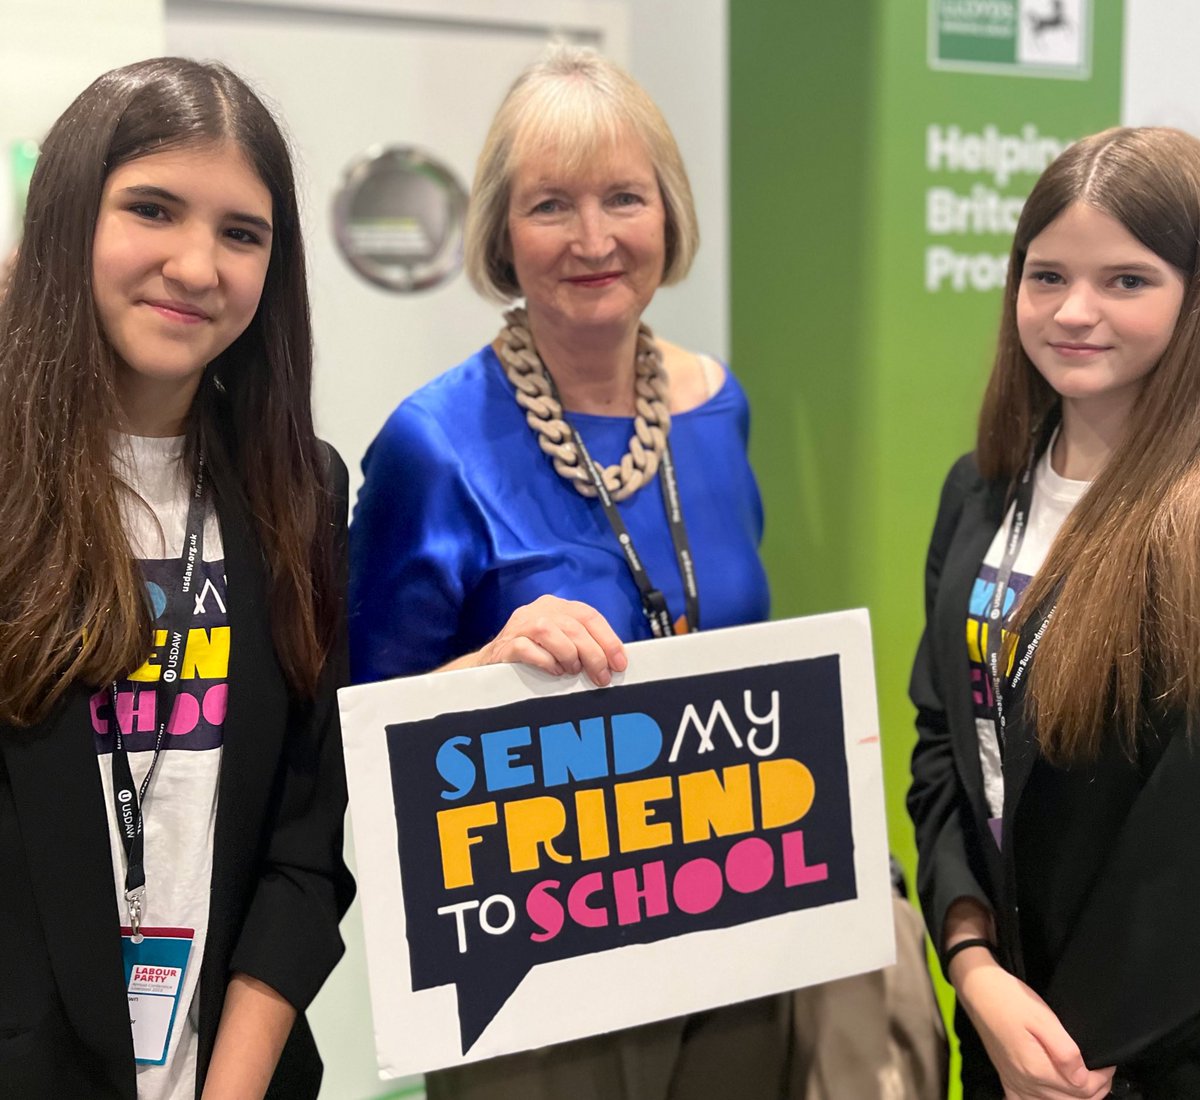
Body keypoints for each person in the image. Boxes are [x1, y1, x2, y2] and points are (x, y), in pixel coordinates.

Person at [350, 44, 944, 1100]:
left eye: (624, 197)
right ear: (499, 231)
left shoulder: (720, 408)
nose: (593, 239)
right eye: (550, 205)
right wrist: (489, 664)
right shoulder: (431, 444)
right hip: (534, 968)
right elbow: (359, 735)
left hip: (730, 937)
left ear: (667, 215)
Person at [0, 58, 354, 1099]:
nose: (198, 265)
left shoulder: (302, 487)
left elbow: (307, 838)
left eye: (242, 233)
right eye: (152, 208)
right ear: (71, 216)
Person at [908, 125, 1200, 1100]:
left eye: (1127, 279)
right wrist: (973, 962)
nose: (1076, 311)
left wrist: (1077, 1048)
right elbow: (946, 740)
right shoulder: (980, 492)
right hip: (1001, 1026)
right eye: (1046, 276)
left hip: (1136, 1057)